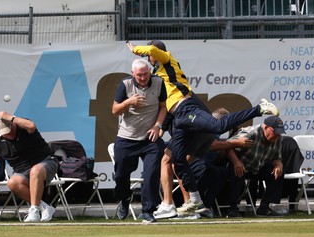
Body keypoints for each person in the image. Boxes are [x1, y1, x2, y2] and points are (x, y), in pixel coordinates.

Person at [128, 40, 279, 215]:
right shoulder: (157, 74)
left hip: (186, 108)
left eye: (148, 56)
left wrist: (136, 50)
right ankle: (185, 203)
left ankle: (259, 109)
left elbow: (153, 50)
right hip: (179, 117)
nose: (148, 57)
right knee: (174, 160)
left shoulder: (167, 60)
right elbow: (165, 106)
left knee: (217, 125)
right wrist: (160, 127)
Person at [154, 108, 254, 219]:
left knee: (219, 172)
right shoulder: (203, 125)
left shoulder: (206, 127)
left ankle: (201, 205)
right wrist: (236, 143)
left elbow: (214, 148)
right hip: (191, 154)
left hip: (196, 156)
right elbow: (213, 145)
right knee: (185, 166)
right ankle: (186, 204)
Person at [0, 111, 58, 222]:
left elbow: (32, 125)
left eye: (8, 131)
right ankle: (45, 207)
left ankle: (34, 211)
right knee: (12, 183)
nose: (6, 135)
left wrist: (10, 117)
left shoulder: (23, 128)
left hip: (45, 163)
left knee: (35, 171)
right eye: (3, 133)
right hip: (22, 171)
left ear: (13, 125)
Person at [112, 58, 167, 223]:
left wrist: (158, 126)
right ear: (132, 74)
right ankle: (124, 199)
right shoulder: (125, 85)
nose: (143, 78)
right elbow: (114, 110)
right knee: (121, 175)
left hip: (150, 138)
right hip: (126, 137)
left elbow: (163, 107)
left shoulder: (158, 83)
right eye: (139, 75)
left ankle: (148, 210)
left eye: (145, 74)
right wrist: (129, 102)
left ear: (150, 72)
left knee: (152, 172)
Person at [226, 115, 285, 217]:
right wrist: (236, 162)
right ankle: (232, 209)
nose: (277, 135)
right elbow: (228, 145)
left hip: (257, 166)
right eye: (275, 132)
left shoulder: (278, 139)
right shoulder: (251, 133)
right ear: (266, 127)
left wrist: (278, 165)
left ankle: (264, 207)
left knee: (277, 173)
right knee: (237, 172)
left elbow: (277, 157)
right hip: (242, 165)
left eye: (279, 132)